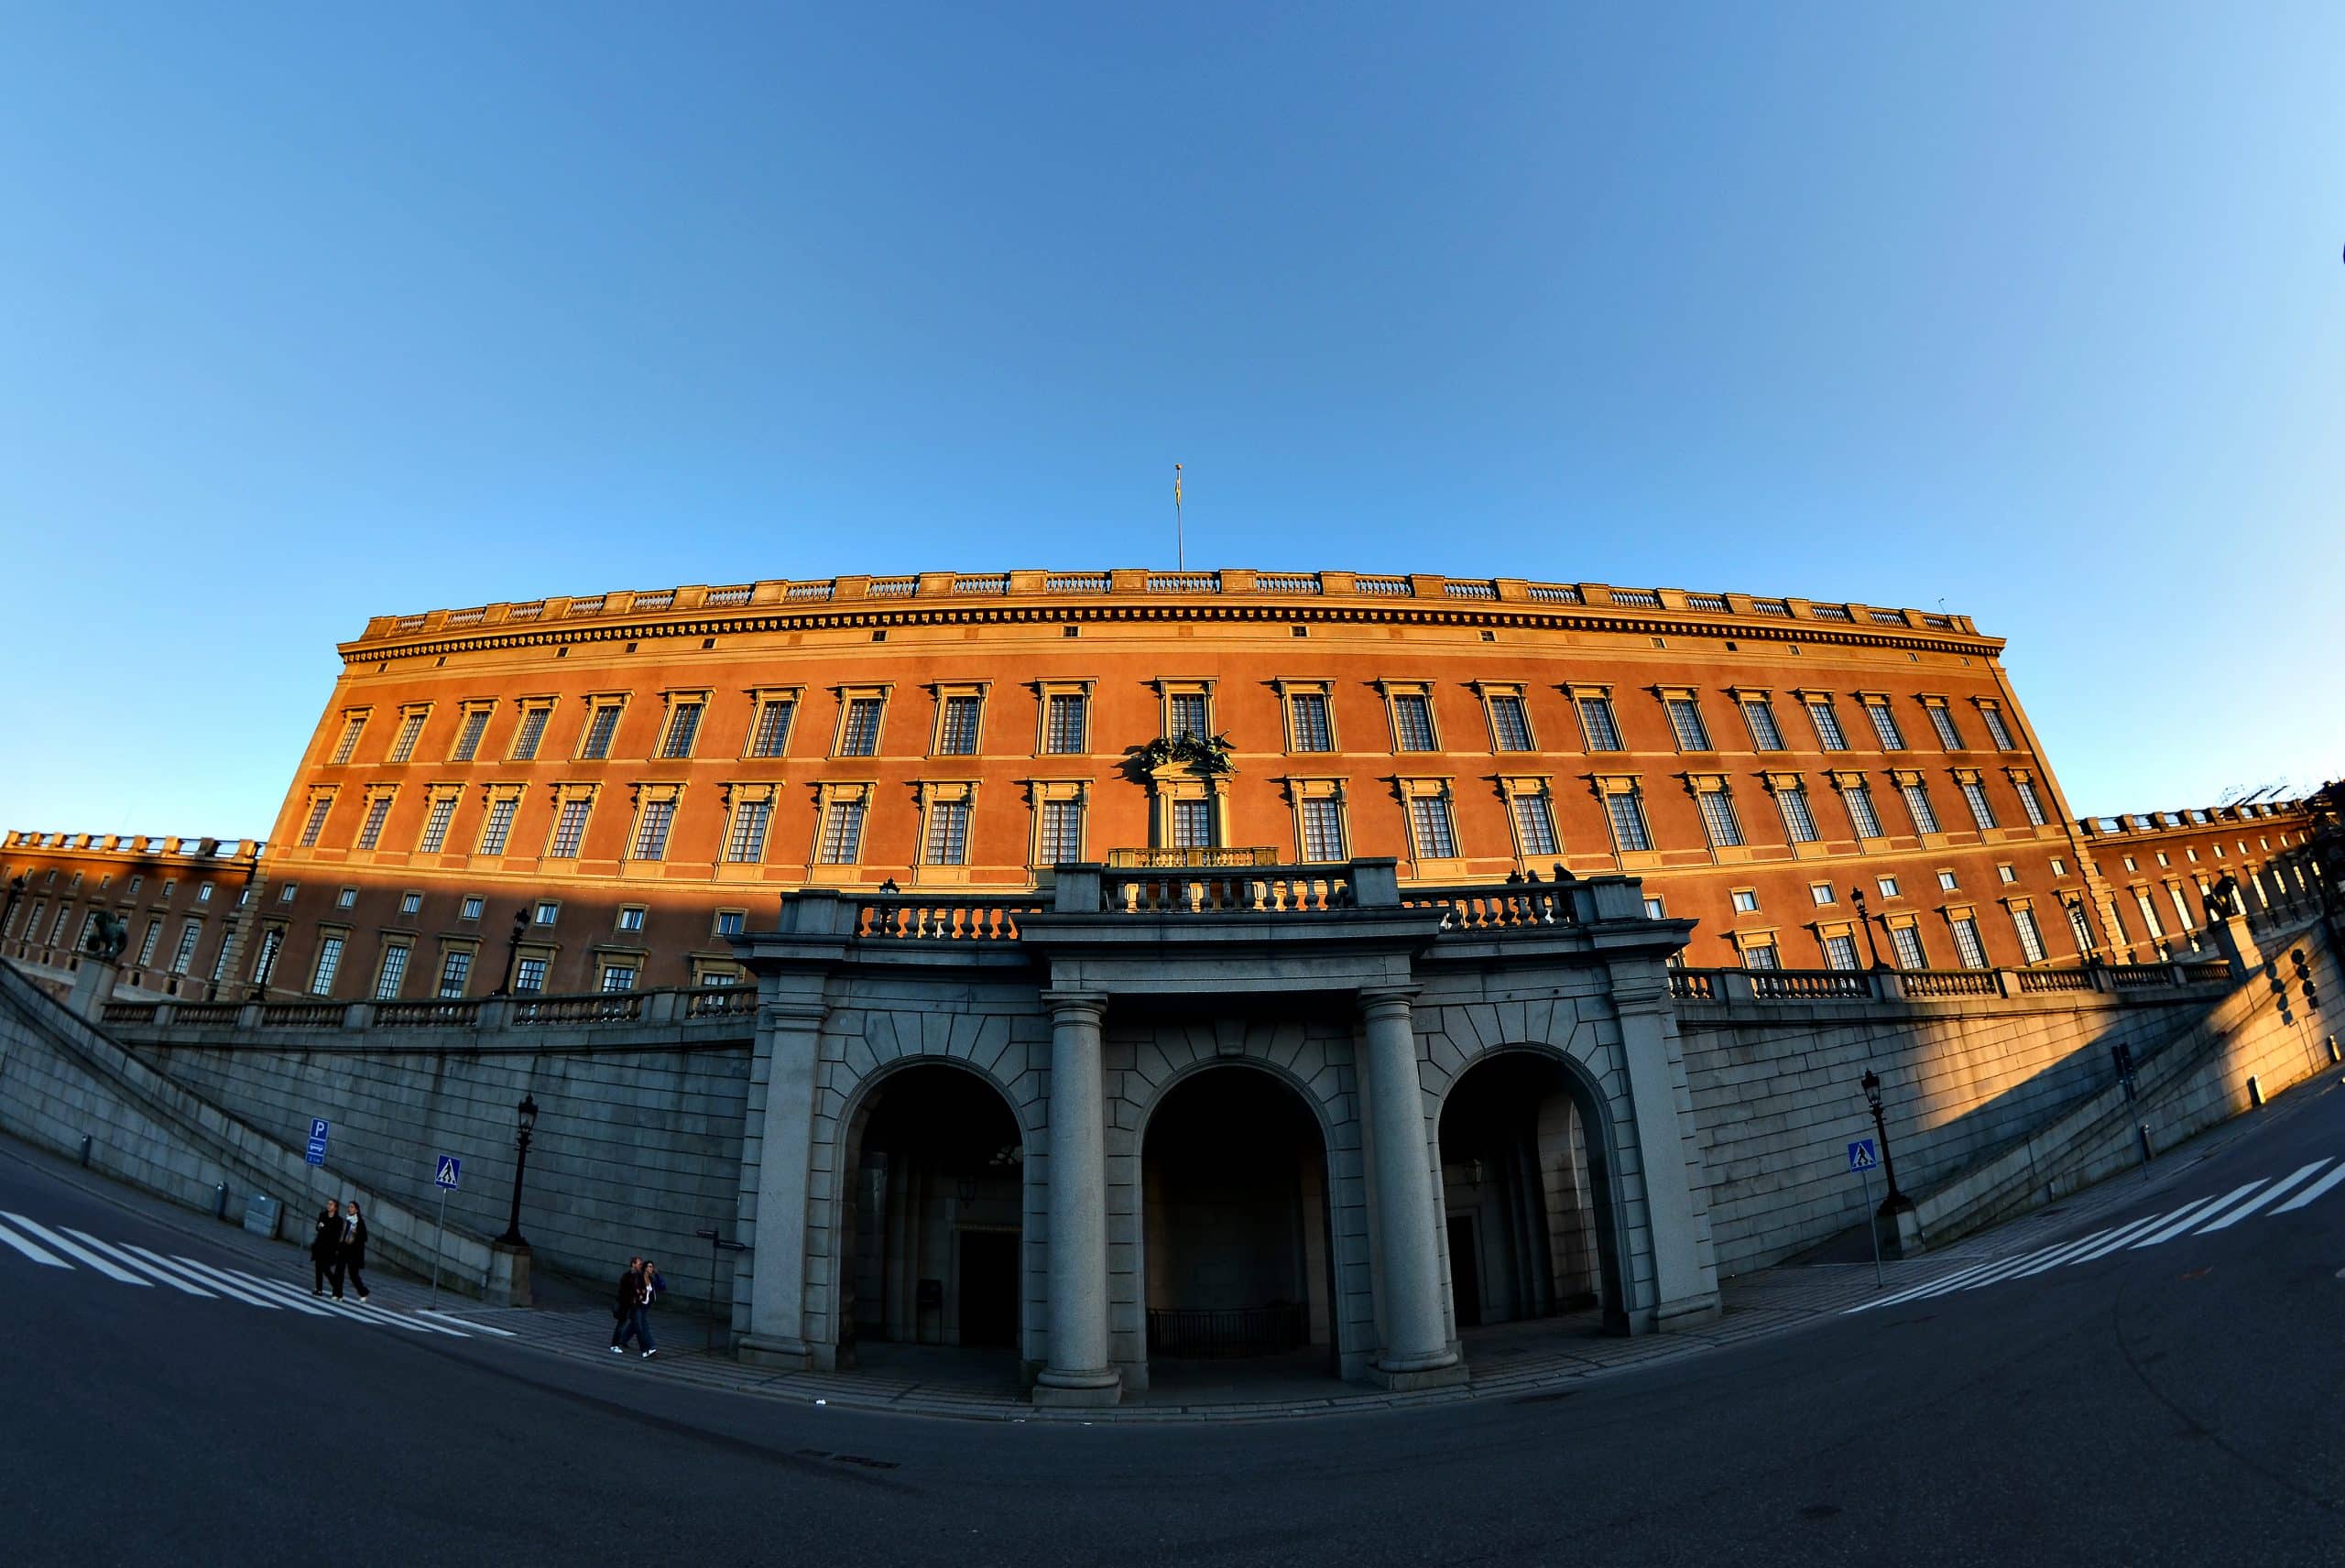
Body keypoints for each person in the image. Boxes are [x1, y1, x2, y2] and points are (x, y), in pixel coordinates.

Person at [613, 1257, 664, 1359]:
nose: (652, 1269)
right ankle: (650, 1346)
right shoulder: (638, 1278)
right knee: (643, 1326)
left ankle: (623, 1340)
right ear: (645, 1268)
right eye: (650, 1266)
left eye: (652, 1267)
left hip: (645, 1307)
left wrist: (658, 1275)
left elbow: (662, 1287)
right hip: (637, 1306)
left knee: (635, 1325)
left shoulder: (652, 1279)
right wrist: (637, 1296)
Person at [610, 1257, 644, 1354]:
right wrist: (635, 1295)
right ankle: (614, 1345)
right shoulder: (627, 1276)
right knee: (621, 1324)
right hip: (625, 1305)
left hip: (633, 1306)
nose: (640, 1265)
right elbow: (623, 1291)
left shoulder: (639, 1276)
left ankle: (623, 1341)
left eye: (641, 1264)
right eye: (639, 1263)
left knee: (637, 1324)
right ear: (633, 1264)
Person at [339, 1201, 370, 1303]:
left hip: (355, 1252)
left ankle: (363, 1292)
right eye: (349, 1207)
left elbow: (365, 1237)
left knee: (353, 1275)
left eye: (352, 1207)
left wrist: (356, 1233)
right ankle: (337, 1293)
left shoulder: (359, 1222)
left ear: (356, 1210)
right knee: (340, 1271)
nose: (349, 1209)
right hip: (345, 1249)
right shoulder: (347, 1220)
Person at [311, 1199, 342, 1297]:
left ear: (335, 1208)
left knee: (325, 1268)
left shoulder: (338, 1220)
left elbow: (334, 1234)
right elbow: (318, 1227)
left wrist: (323, 1228)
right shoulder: (323, 1215)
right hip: (320, 1245)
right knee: (318, 1267)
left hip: (330, 1247)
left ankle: (337, 1287)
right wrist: (321, 1227)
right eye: (328, 1204)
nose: (329, 1206)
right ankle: (319, 1289)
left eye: (331, 1204)